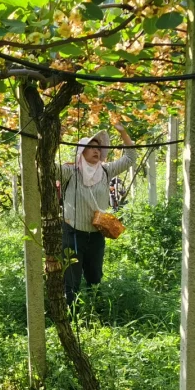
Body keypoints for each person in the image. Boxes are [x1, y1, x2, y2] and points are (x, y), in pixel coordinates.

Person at [60, 121, 135, 302]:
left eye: (98, 148)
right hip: (73, 233)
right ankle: (70, 312)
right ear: (81, 151)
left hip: (96, 234)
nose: (96, 151)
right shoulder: (70, 171)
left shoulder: (106, 171)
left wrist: (123, 133)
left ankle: (94, 312)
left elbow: (130, 158)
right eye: (91, 147)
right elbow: (47, 167)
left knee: (94, 278)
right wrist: (56, 137)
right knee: (71, 280)